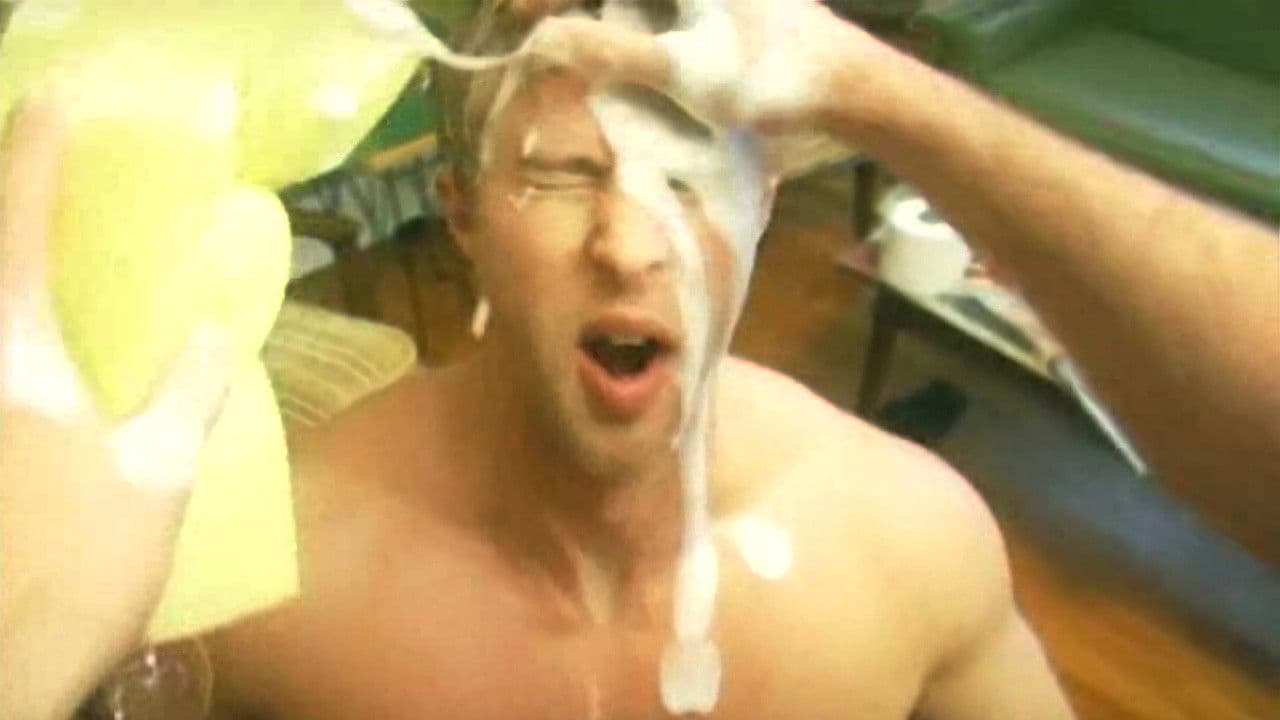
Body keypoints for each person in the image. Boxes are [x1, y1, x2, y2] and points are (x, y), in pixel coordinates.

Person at [9, 0, 1271, 716]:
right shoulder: (274, 589)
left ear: (765, 207)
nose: (625, 243)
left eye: (684, 178)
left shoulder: (910, 543)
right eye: (558, 174)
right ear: (461, 216)